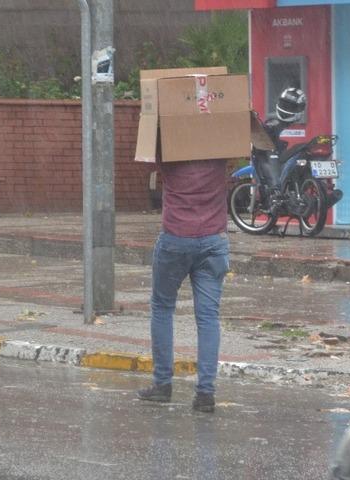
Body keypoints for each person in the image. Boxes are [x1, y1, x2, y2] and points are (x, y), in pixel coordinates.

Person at [136, 155, 230, 413]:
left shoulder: (169, 150)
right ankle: (205, 392)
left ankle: (163, 384)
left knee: (163, 308)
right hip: (214, 239)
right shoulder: (220, 151)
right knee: (209, 316)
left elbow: (146, 159)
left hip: (175, 239)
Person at [253, 87, 308, 200]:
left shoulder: (274, 125)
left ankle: (278, 192)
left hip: (288, 157)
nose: (287, 108)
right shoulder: (273, 124)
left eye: (291, 106)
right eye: (285, 104)